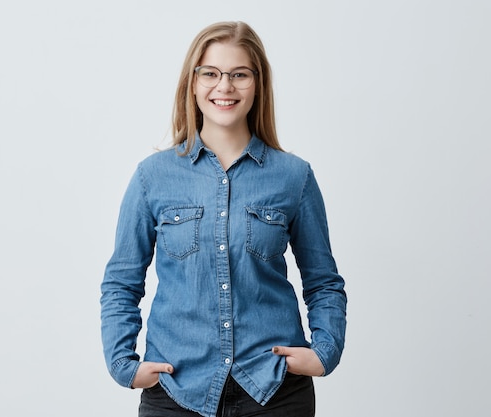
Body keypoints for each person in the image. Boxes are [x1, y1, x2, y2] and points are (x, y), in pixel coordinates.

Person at [100, 21, 347, 417]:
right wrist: (123, 364)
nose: (224, 86)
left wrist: (325, 351)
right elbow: (121, 282)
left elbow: (323, 282)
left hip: (274, 393)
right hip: (177, 392)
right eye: (211, 73)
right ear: (193, 83)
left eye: (239, 74)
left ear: (258, 83)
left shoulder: (294, 177)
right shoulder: (153, 177)